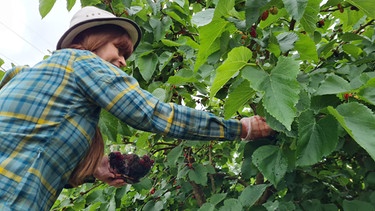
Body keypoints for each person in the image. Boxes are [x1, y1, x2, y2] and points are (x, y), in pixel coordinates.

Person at [0, 6, 273, 210]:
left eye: (126, 56)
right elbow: (152, 114)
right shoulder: (80, 60)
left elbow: (38, 149)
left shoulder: (24, 76)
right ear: (83, 42)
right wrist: (242, 128)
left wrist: (95, 168)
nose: (122, 61)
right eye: (118, 49)